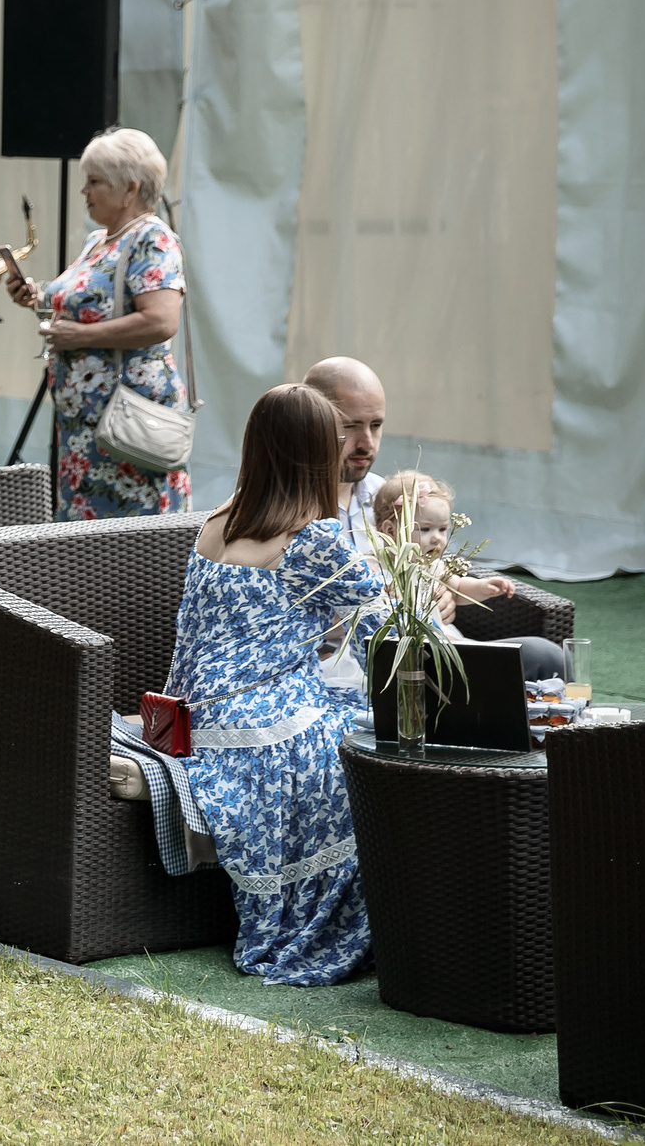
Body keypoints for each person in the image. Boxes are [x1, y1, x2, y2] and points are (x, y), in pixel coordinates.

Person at [166, 383, 384, 985]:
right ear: (317, 453)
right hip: (265, 729)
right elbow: (388, 628)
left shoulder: (217, 519)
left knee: (343, 710)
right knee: (369, 743)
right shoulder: (312, 539)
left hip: (198, 722)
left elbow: (191, 641)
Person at [7, 126, 188, 520]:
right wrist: (36, 298)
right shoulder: (98, 240)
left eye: (95, 182)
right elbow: (89, 306)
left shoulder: (152, 239)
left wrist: (82, 337)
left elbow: (161, 321)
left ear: (130, 189)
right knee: (87, 539)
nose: (84, 191)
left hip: (127, 419)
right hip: (85, 426)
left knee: (131, 531)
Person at [366, 470, 566, 680]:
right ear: (390, 530)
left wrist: (483, 587)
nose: (437, 539)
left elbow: (459, 588)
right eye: (425, 529)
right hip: (403, 654)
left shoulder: (431, 565)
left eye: (442, 529)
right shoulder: (375, 568)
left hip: (444, 643)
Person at [303, 357, 386, 524]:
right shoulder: (270, 508)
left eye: (375, 425)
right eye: (350, 426)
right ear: (311, 422)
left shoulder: (385, 500)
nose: (367, 443)